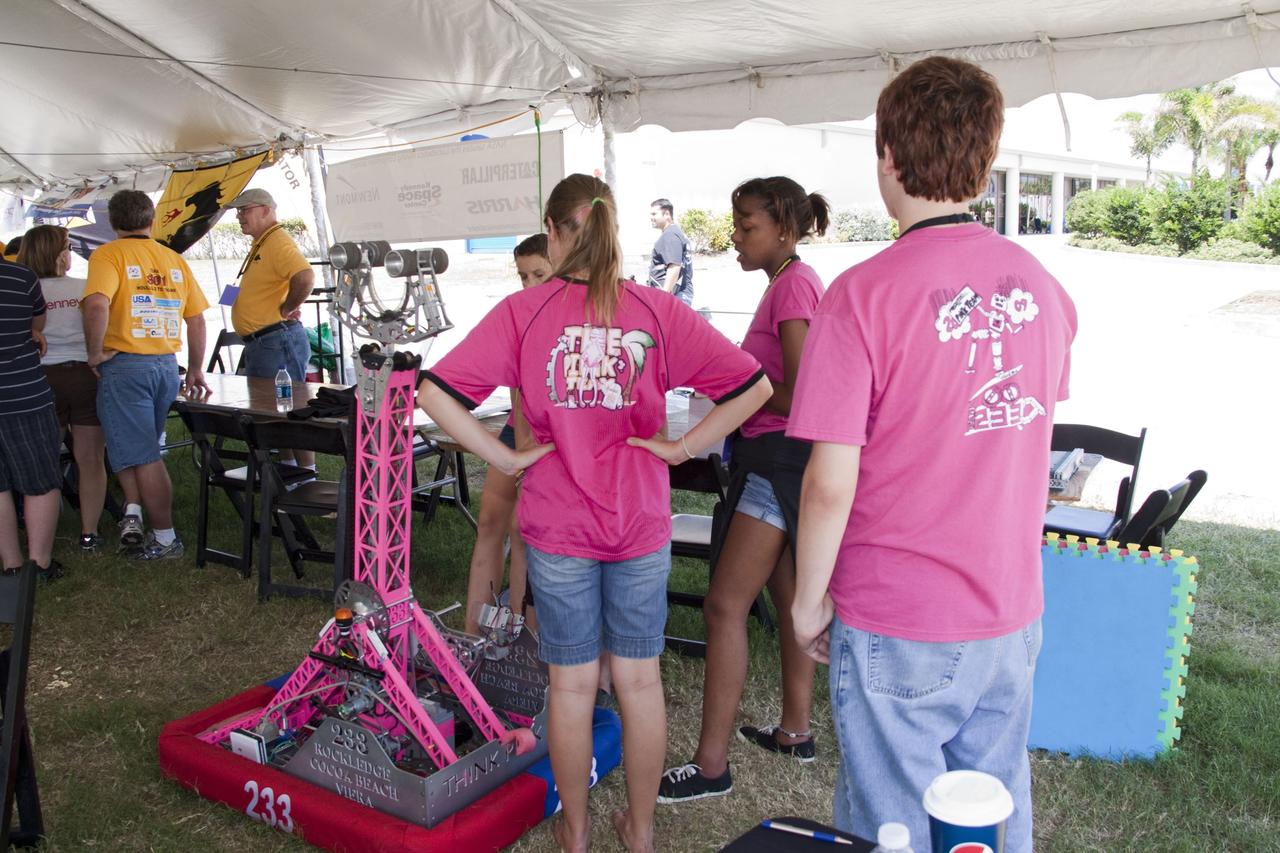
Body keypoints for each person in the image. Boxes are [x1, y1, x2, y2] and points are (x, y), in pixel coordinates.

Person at [419, 174, 769, 853]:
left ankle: (574, 832)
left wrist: (505, 456)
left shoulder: (524, 312)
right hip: (639, 523)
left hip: (559, 530)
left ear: (553, 232)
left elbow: (433, 393)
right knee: (639, 680)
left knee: (572, 687)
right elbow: (753, 386)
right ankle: (640, 832)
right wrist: (682, 449)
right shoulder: (655, 310)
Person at [787, 57, 1077, 852]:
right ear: (987, 154)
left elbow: (828, 483)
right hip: (1010, 611)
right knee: (992, 810)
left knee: (894, 825)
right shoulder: (1043, 288)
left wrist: (807, 600)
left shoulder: (860, 296)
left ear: (887, 155)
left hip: (899, 615)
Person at [659, 176, 829, 803]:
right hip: (779, 460)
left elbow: (803, 393)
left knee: (724, 607)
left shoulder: (793, 286)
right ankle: (795, 732)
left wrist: (734, 381)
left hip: (776, 461)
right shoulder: (787, 282)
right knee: (787, 599)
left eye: (747, 225)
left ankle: (711, 767)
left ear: (783, 228)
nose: (735, 236)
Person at [82, 189, 211, 559]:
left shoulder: (109, 254)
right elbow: (197, 319)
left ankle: (166, 539)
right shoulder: (173, 258)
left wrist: (94, 352)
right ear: (152, 221)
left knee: (145, 454)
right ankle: (134, 512)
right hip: (165, 366)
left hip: (127, 366)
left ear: (112, 222)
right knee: (138, 448)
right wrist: (196, 368)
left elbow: (96, 304)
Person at [462, 233, 552, 636]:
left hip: (550, 439)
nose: (529, 284)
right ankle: (472, 637)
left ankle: (520, 637)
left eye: (539, 274)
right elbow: (517, 393)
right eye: (523, 276)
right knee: (489, 523)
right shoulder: (518, 316)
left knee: (522, 530)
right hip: (519, 429)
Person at [18, 225, 108, 552]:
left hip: (40, 379)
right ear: (58, 255)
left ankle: (40, 533)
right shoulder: (86, 288)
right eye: (68, 247)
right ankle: (89, 533)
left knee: (43, 460)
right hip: (86, 376)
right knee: (91, 459)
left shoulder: (22, 290)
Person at [225, 188, 317, 468]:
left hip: (276, 339)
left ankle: (307, 473)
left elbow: (305, 276)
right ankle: (289, 471)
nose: (239, 216)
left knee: (291, 408)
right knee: (273, 411)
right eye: (238, 211)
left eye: (245, 210)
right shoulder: (262, 242)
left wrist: (288, 307)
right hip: (264, 342)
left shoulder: (276, 241)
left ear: (266, 210)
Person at [0, 254, 64, 581]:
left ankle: (11, 566)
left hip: (21, 394)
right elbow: (37, 323)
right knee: (40, 480)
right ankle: (39, 565)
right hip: (23, 394)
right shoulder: (21, 277)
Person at [647, 198, 693, 305]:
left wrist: (664, 298)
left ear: (667, 214)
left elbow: (674, 267)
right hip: (679, 295)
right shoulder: (674, 232)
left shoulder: (670, 235)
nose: (651, 218)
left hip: (675, 297)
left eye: (654, 214)